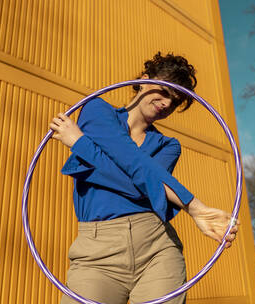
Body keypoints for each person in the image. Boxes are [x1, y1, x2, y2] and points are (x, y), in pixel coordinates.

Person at [50, 52, 238, 304]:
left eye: (175, 100)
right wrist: (194, 206)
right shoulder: (97, 110)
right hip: (96, 254)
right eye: (164, 91)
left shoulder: (168, 145)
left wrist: (81, 145)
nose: (167, 103)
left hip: (156, 248)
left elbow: (140, 184)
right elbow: (136, 167)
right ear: (143, 80)